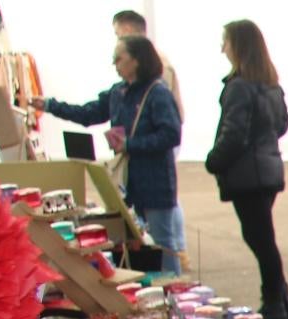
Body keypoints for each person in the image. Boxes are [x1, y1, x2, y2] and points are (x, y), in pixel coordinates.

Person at [31, 35, 184, 265]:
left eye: (119, 58)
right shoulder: (118, 92)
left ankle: (172, 291)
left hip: (155, 182)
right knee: (134, 242)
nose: (115, 64)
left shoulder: (158, 93)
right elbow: (88, 113)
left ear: (136, 61)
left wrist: (129, 145)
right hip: (126, 184)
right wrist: (51, 106)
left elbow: (171, 134)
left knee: (162, 242)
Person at [205, 20, 288, 319]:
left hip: (248, 175)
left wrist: (213, 161)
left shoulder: (239, 87)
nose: (222, 48)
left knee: (260, 240)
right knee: (262, 238)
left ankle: (275, 303)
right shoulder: (270, 84)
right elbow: (281, 124)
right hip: (267, 170)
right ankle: (281, 299)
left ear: (238, 46)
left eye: (225, 42)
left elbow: (233, 134)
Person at [112, 10, 182, 120]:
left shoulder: (159, 64)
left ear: (127, 31)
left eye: (117, 34)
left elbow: (162, 113)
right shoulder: (134, 67)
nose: (117, 41)